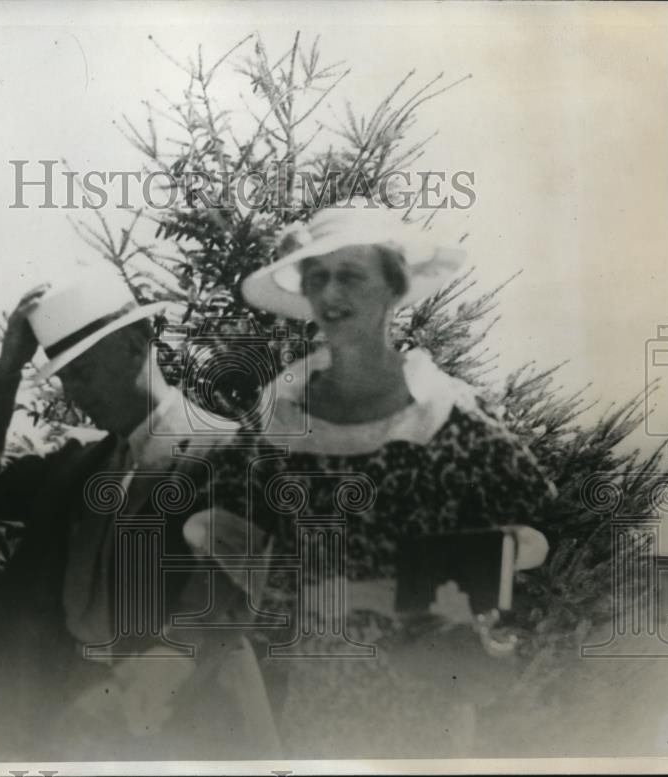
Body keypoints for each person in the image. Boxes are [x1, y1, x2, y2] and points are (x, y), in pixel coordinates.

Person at [182, 201, 557, 758]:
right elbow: (209, 524)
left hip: (426, 699)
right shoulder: (284, 421)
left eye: (351, 276)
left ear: (392, 287)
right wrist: (288, 593)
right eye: (317, 279)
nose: (331, 295)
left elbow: (541, 533)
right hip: (318, 693)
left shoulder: (445, 414)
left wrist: (417, 587)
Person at [0, 265, 279, 760]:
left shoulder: (230, 451)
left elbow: (221, 603)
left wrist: (128, 696)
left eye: (82, 370)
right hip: (85, 721)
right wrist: (7, 367)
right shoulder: (77, 466)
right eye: (65, 378)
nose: (74, 393)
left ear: (133, 343)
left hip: (191, 720)